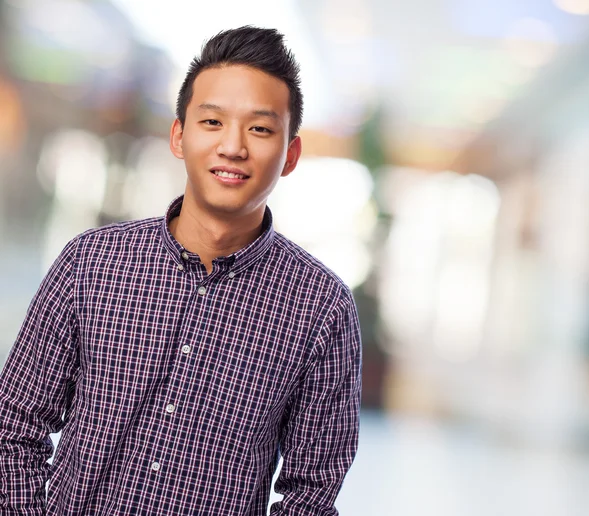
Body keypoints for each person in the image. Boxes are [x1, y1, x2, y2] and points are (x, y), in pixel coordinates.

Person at [0, 26, 362, 515]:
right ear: (179, 135)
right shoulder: (90, 264)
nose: (233, 147)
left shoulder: (322, 309)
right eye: (212, 122)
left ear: (290, 154)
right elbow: (14, 428)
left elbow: (312, 493)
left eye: (259, 128)